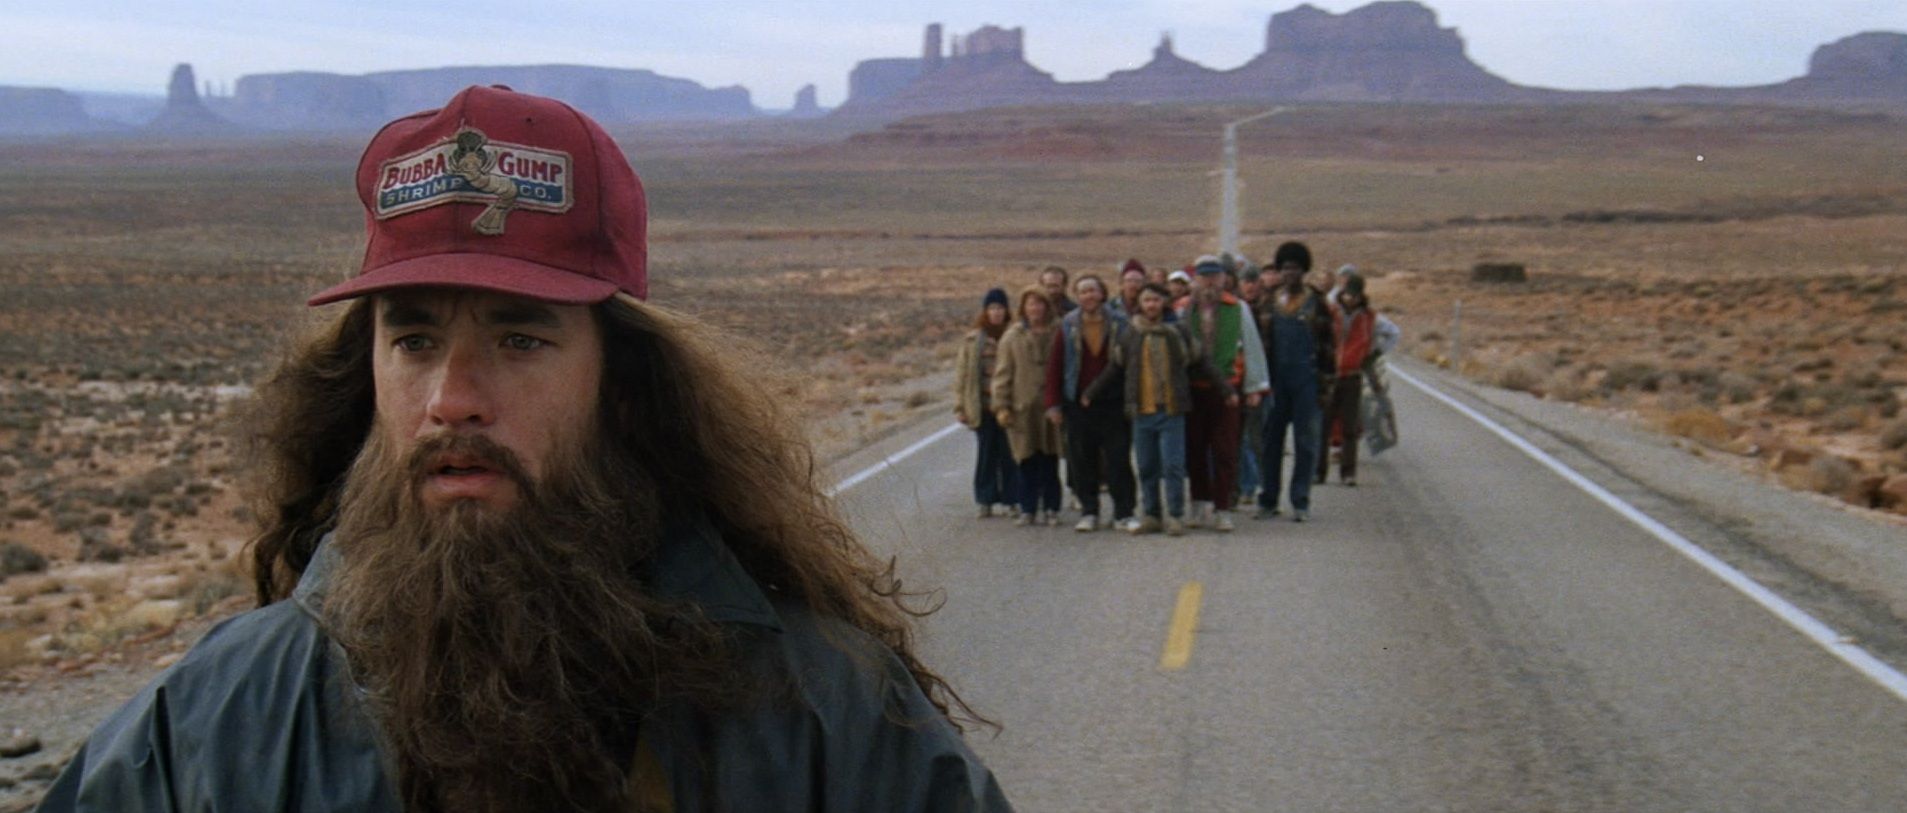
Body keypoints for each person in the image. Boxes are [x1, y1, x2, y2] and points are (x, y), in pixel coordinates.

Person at [37, 86, 1010, 813]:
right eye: (413, 340)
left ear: (622, 383)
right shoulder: (221, 722)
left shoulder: (821, 715)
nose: (451, 401)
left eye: (519, 339)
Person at [1081, 283, 1231, 536]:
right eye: (1146, 300)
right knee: (1147, 466)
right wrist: (1091, 392)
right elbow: (1115, 367)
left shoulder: (1178, 331)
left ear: (1164, 303)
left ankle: (1175, 515)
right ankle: (1152, 514)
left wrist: (1226, 390)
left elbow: (1202, 361)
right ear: (1140, 304)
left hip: (1172, 410)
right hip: (1142, 411)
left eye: (1156, 300)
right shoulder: (1131, 333)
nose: (1151, 305)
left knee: (1173, 466)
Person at [1177, 256, 1269, 532]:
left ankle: (1222, 507)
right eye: (1204, 277)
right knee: (1194, 448)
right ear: (1195, 280)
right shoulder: (1183, 309)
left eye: (1214, 277)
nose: (1209, 283)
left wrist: (1255, 386)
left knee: (1225, 450)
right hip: (1193, 389)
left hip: (1228, 388)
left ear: (1223, 280)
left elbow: (1251, 346)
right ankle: (1198, 502)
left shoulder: (1237, 308)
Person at [1043, 274, 1136, 532]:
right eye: (1083, 292)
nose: (1089, 296)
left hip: (1114, 402)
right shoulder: (1068, 325)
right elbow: (1055, 365)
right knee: (1082, 460)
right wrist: (1053, 403)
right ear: (1077, 296)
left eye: (1093, 290)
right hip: (1077, 403)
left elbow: (1132, 363)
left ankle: (1124, 512)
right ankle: (1089, 511)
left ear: (1102, 293)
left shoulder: (1120, 323)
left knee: (1118, 459)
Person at [1256, 241, 1335, 523]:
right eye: (1286, 268)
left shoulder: (1318, 303)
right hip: (1275, 380)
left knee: (1306, 442)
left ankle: (1300, 500)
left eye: (1296, 268)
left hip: (1307, 380)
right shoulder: (1268, 303)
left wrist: (1326, 385)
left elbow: (1328, 347)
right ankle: (1268, 499)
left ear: (1304, 271)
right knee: (1271, 442)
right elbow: (1258, 345)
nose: (1290, 273)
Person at [992, 287, 1065, 526]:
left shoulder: (1060, 331)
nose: (1036, 308)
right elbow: (1002, 373)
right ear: (1024, 308)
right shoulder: (1012, 337)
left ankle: (1052, 508)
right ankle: (1028, 508)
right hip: (1022, 408)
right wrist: (1002, 406)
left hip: (1052, 408)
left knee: (1050, 460)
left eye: (1040, 303)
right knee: (1026, 460)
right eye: (1031, 304)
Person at [955, 287, 1021, 518]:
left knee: (1009, 455)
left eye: (1000, 308)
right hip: (982, 407)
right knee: (986, 455)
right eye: (992, 308)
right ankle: (985, 499)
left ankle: (1013, 499)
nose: (996, 312)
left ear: (1006, 310)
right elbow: (962, 375)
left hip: (1008, 407)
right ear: (985, 311)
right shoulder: (973, 340)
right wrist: (961, 407)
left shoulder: (1015, 335)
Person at [1318, 273, 1375, 486]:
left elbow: (1378, 338)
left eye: (1355, 295)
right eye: (1348, 294)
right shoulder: (1331, 311)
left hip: (1352, 375)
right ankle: (1318, 471)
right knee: (1324, 425)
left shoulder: (1368, 316)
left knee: (1350, 427)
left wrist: (1366, 357)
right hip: (1331, 375)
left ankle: (1348, 472)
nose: (1351, 299)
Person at [1234, 264, 1270, 505]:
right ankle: (1243, 486)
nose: (1250, 286)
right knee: (1240, 438)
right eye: (1246, 281)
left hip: (1263, 381)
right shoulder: (1234, 309)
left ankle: (1261, 485)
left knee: (1258, 438)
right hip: (1240, 380)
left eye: (1254, 281)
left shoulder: (1271, 309)